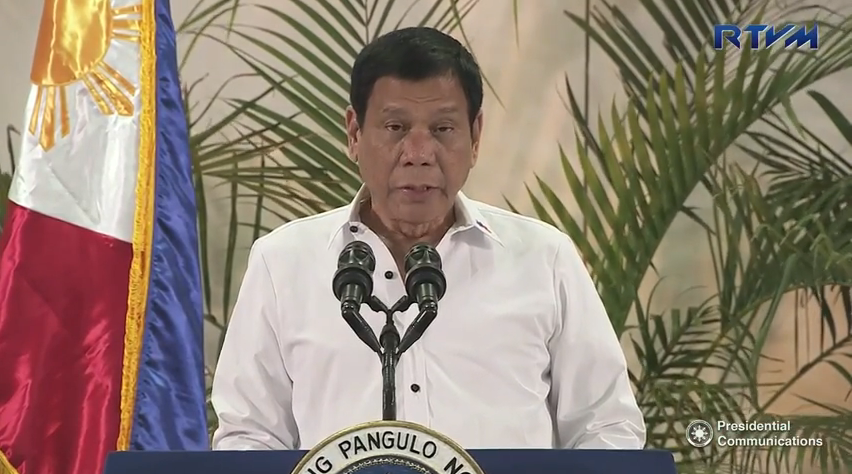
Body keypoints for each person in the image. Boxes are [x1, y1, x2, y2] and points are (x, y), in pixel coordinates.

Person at [211, 26, 646, 451]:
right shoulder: (283, 263)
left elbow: (606, 427)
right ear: (354, 133)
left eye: (442, 130)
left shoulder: (544, 259)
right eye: (396, 127)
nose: (418, 154)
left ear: (475, 136)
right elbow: (250, 436)